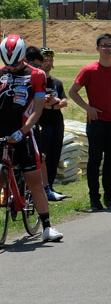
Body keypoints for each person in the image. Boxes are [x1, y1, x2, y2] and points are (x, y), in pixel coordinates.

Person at [0, 36, 64, 242]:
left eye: (16, 63)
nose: (12, 68)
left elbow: (37, 109)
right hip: (2, 132)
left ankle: (47, 226)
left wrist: (24, 130)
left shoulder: (36, 75)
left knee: (34, 180)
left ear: (24, 57)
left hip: (25, 132)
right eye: (8, 64)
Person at [68, 33, 111, 211]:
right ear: (97, 48)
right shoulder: (89, 70)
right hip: (95, 122)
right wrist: (87, 108)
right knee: (94, 160)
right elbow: (72, 92)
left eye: (110, 45)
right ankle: (94, 198)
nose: (107, 48)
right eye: (103, 45)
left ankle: (110, 196)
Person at [26, 47, 68, 201]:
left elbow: (64, 101)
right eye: (45, 60)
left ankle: (49, 186)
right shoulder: (36, 79)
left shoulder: (57, 82)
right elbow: (39, 102)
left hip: (56, 122)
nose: (48, 62)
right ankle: (38, 189)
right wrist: (49, 104)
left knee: (54, 156)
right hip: (41, 122)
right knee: (40, 157)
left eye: (51, 60)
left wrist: (53, 105)